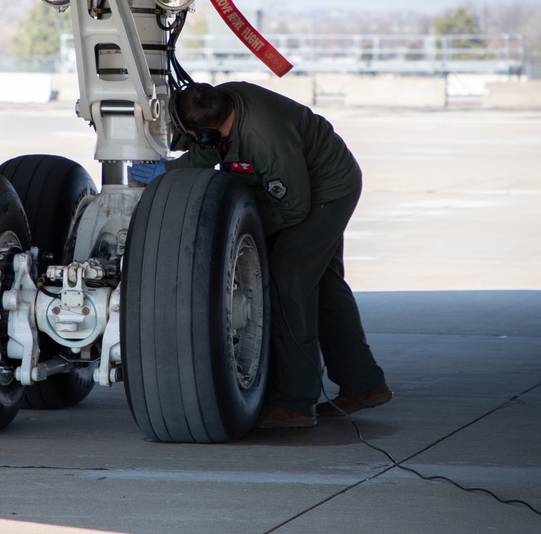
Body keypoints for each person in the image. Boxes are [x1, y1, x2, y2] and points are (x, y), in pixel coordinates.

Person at [129, 81, 392, 428]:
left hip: (325, 191)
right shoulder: (217, 101)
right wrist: (171, 171)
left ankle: (295, 402)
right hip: (302, 184)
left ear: (205, 129)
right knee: (322, 284)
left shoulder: (266, 141)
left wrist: (242, 228)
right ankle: (364, 383)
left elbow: (293, 208)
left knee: (288, 284)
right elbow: (211, 150)